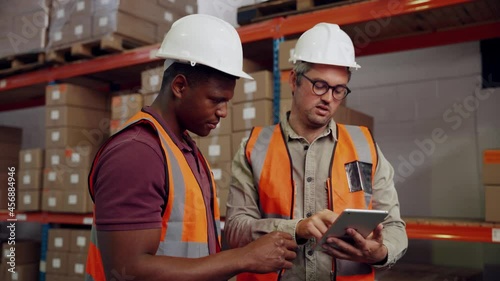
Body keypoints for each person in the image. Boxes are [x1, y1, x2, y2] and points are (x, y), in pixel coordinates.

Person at [85, 14, 297, 281]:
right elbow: (128, 271)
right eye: (216, 100)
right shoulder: (136, 153)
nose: (223, 112)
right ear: (180, 86)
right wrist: (245, 257)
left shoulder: (184, 149)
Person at [225, 23, 408, 281]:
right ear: (294, 80)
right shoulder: (254, 147)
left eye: (338, 90)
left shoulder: (365, 145)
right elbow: (234, 230)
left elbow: (394, 227)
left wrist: (380, 252)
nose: (328, 98)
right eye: (320, 85)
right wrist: (296, 229)